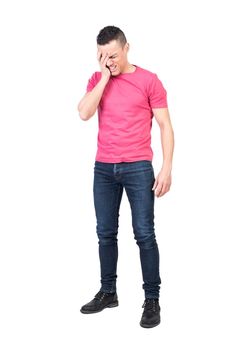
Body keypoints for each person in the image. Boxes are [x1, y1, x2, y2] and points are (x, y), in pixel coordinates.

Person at [77, 25, 174, 328]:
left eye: (114, 56)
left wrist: (166, 168)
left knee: (144, 233)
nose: (110, 61)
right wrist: (105, 77)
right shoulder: (98, 79)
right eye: (104, 56)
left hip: (137, 167)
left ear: (127, 47)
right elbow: (83, 112)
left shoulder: (149, 81)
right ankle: (108, 292)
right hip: (104, 169)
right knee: (105, 232)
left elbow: (165, 126)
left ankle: (152, 299)